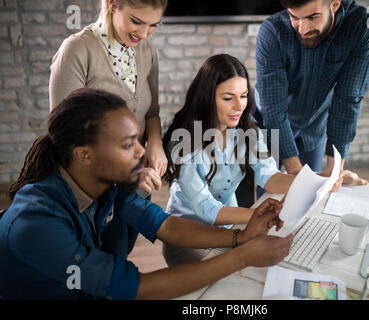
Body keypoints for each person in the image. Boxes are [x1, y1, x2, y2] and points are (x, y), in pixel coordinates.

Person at [0, 88, 293, 300]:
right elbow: (137, 289)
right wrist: (241, 257)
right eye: (128, 145)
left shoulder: (110, 187)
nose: (143, 152)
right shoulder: (37, 222)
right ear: (84, 155)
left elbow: (165, 225)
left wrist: (239, 238)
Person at [161, 54, 341, 266]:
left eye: (244, 96)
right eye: (228, 98)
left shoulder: (247, 133)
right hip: (187, 234)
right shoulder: (183, 142)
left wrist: (321, 180)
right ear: (207, 97)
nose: (240, 106)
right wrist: (256, 215)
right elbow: (206, 208)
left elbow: (271, 177)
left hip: (230, 226)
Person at [254, 0, 369, 185]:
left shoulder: (362, 27)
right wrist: (297, 175)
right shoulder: (272, 31)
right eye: (294, 17)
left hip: (312, 125)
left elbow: (348, 99)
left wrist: (336, 171)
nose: (303, 29)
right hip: (268, 122)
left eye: (312, 17)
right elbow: (273, 109)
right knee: (269, 192)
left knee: (307, 198)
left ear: (335, 4)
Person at [49, 0, 167, 194]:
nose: (145, 34)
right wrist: (126, 173)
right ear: (113, 4)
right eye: (136, 21)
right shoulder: (76, 49)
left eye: (154, 24)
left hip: (138, 184)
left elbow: (151, 112)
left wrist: (156, 142)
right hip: (91, 190)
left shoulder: (148, 51)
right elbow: (65, 134)